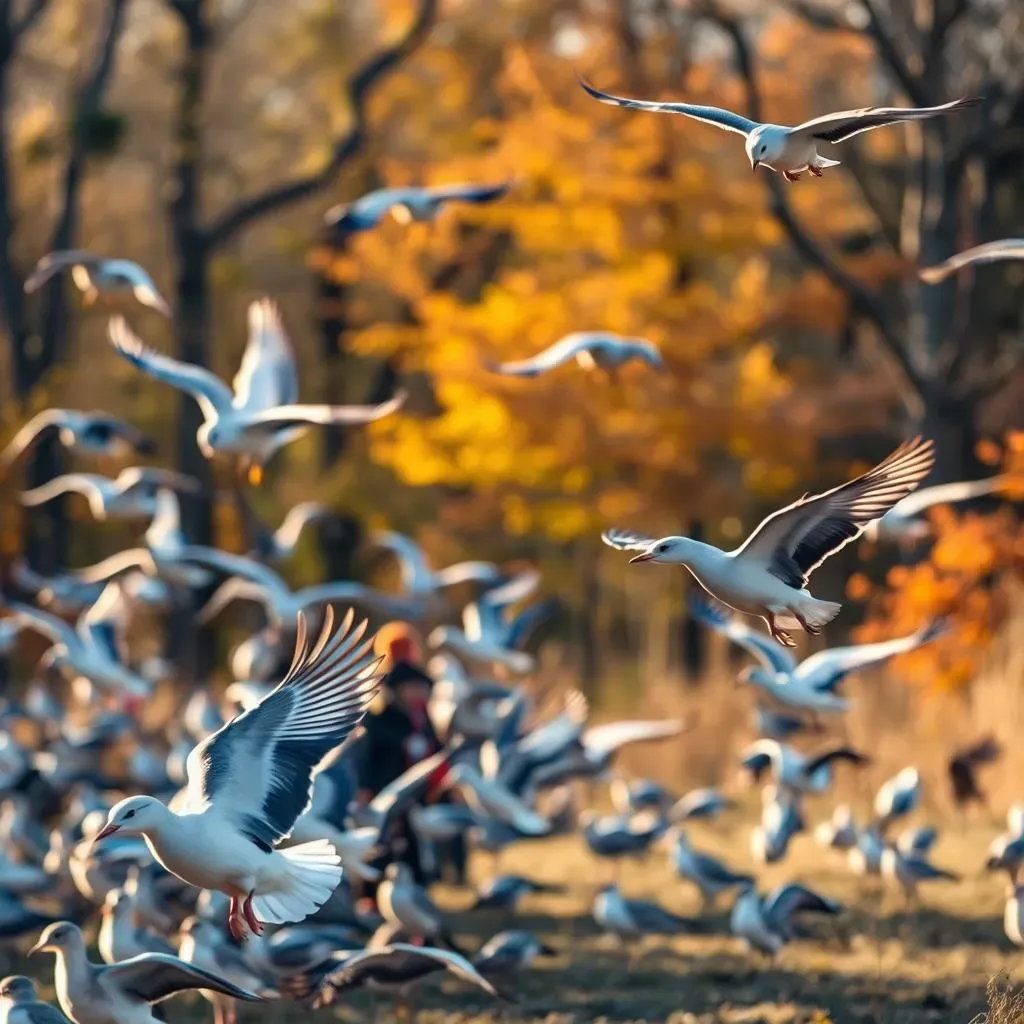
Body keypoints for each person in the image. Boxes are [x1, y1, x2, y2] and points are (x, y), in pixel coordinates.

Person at [352, 623, 459, 896]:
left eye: (420, 688)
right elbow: (368, 755)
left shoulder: (421, 719)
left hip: (415, 796)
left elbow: (437, 753)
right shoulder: (381, 717)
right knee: (382, 845)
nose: (418, 694)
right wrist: (366, 789)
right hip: (385, 793)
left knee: (412, 845)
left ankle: (419, 889)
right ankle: (371, 896)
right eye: (412, 688)